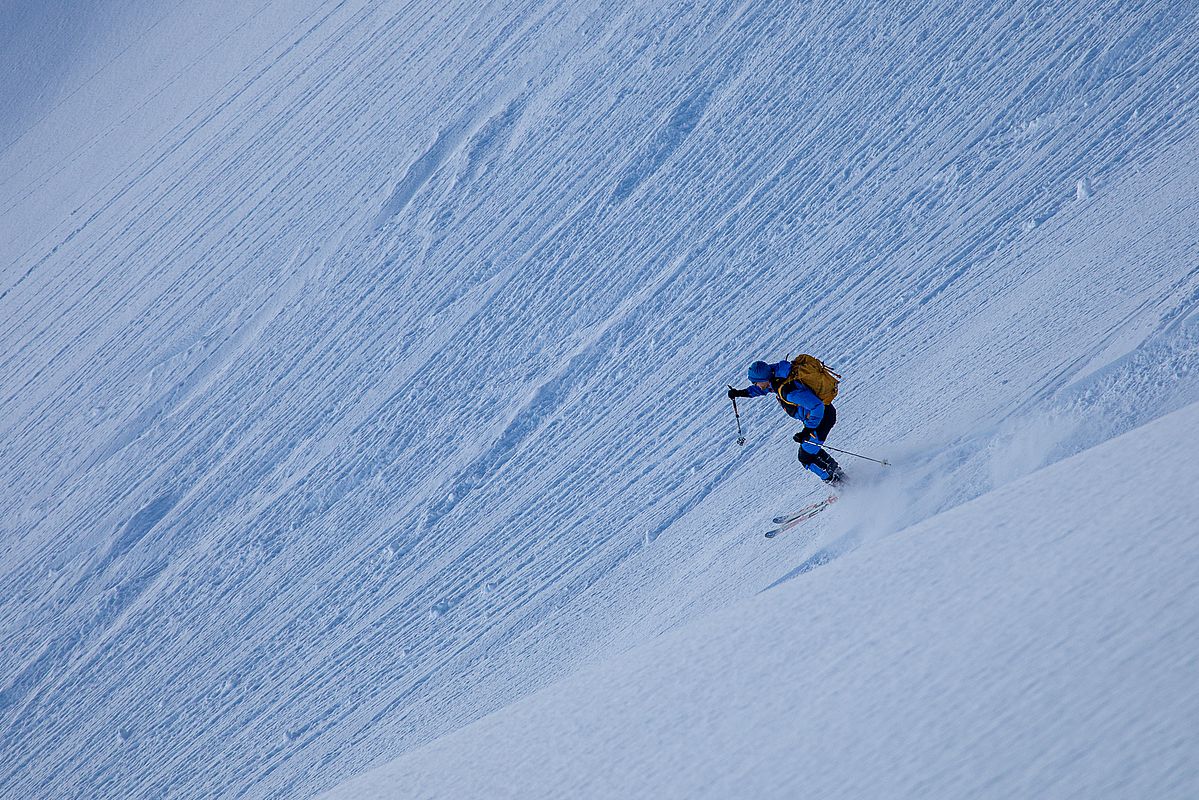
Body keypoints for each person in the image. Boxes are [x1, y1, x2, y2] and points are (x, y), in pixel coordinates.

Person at [727, 359, 847, 486]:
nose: (755, 385)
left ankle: (842, 485)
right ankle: (839, 475)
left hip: (821, 420)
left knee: (805, 458)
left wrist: (807, 430)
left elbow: (817, 406)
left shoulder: (787, 391)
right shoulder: (778, 375)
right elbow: (764, 389)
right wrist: (741, 393)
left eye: (755, 382)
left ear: (762, 380)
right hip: (820, 418)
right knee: (810, 450)